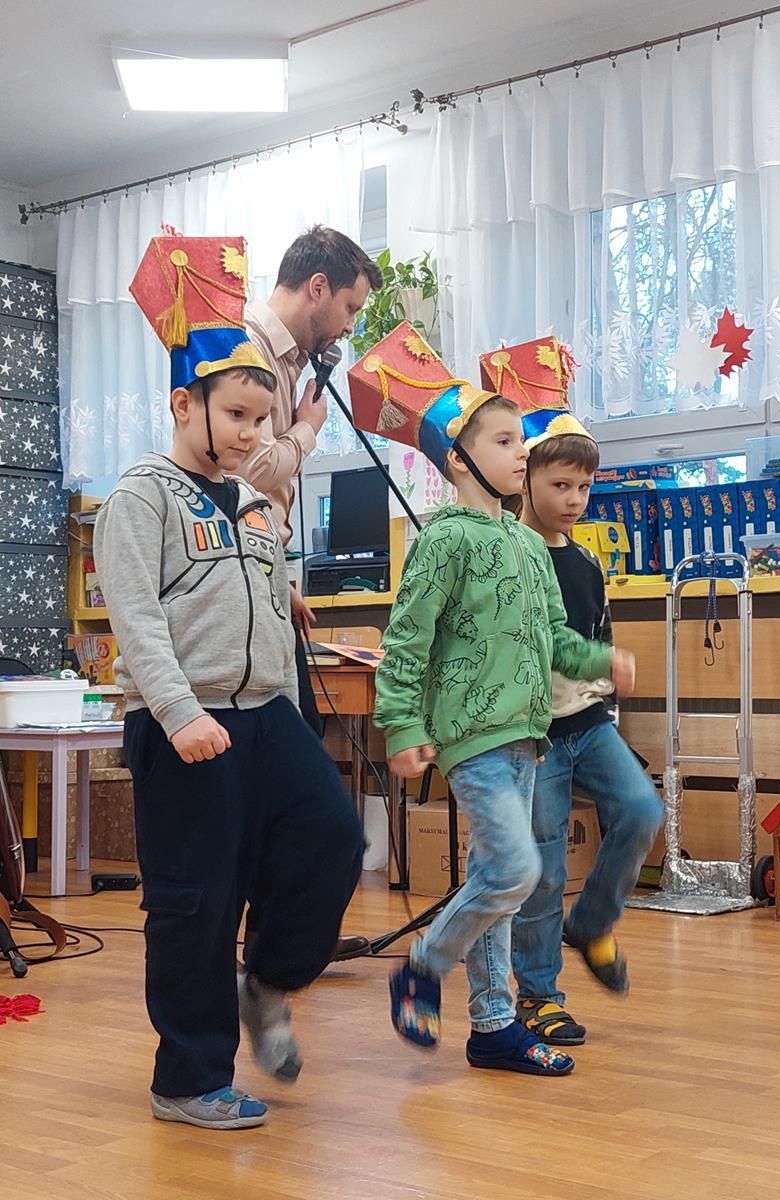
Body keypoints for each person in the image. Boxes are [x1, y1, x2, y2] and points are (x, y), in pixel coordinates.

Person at [95, 235, 363, 1130]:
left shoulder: (250, 500)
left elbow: (239, 589)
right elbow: (136, 616)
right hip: (186, 722)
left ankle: (269, 980)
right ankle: (187, 1078)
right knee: (196, 901)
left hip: (266, 712)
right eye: (239, 416)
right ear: (186, 404)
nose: (254, 434)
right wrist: (177, 713)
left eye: (262, 417)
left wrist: (275, 596)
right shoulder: (142, 494)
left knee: (332, 837)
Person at [348, 323, 635, 1077]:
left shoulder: (528, 546)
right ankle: (423, 965)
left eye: (520, 441)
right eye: (506, 442)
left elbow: (555, 640)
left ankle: (494, 1025)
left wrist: (601, 661)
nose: (520, 453)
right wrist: (401, 725)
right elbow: (406, 641)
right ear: (459, 457)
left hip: (526, 738)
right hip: (472, 738)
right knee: (514, 872)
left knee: (496, 882)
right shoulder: (443, 540)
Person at [478, 337, 662, 1048]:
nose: (574, 501)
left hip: (588, 724)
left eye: (583, 488)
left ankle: (593, 923)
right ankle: (538, 995)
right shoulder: (507, 553)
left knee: (641, 809)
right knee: (545, 868)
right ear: (525, 481)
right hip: (535, 737)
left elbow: (596, 632)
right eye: (560, 486)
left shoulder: (586, 561)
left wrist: (608, 689)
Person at [240, 226, 382, 963]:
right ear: (317, 288)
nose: (351, 326)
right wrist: (306, 429)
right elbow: (251, 469)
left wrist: (285, 581)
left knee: (302, 743)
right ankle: (277, 942)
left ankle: (281, 936)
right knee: (291, 763)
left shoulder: (291, 361)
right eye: (350, 308)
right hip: (237, 595)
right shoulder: (248, 348)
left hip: (266, 582)